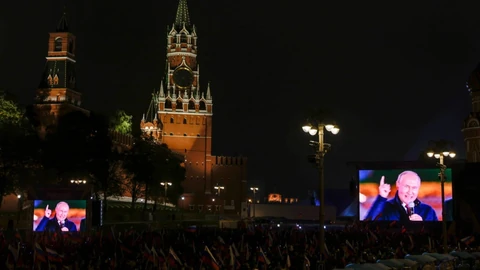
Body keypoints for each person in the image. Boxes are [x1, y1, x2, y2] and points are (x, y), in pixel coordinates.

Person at [365, 171, 438, 222]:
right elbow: (368, 224)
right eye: (406, 186)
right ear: (397, 185)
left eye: (414, 188)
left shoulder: (428, 211)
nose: (410, 192)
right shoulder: (385, 208)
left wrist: (422, 225)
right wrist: (382, 198)